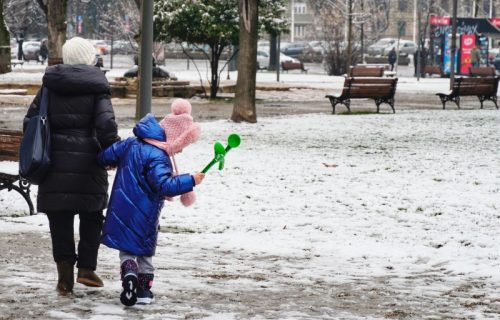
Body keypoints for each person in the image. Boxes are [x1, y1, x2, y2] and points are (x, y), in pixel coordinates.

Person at [22, 37, 120, 295]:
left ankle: (64, 276)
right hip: (89, 163)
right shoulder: (97, 87)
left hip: (54, 164)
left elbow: (30, 121)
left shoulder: (50, 86)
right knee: (92, 215)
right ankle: (86, 268)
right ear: (90, 58)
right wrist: (113, 151)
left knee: (60, 219)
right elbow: (106, 125)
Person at [97, 98, 205, 306]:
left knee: (127, 250)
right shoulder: (158, 157)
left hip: (122, 208)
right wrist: (191, 180)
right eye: (181, 145)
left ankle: (129, 274)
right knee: (145, 251)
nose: (180, 150)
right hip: (146, 213)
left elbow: (105, 156)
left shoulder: (131, 143)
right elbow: (165, 185)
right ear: (174, 139)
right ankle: (144, 291)